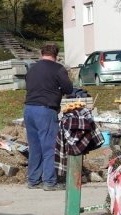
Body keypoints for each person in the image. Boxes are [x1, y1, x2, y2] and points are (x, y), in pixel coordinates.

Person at [23, 43, 73, 191]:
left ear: (41, 54)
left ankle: (33, 180)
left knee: (34, 146)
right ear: (56, 56)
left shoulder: (32, 68)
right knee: (49, 146)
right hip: (45, 110)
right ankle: (50, 181)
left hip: (29, 109)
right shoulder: (58, 69)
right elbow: (68, 89)